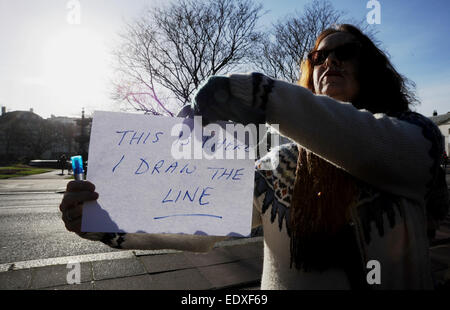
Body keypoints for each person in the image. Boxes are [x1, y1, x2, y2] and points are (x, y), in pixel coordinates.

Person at [59, 24, 448, 289]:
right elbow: (199, 223)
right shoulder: (275, 166)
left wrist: (251, 94)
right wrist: (102, 219)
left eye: (345, 52)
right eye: (318, 57)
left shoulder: (415, 137)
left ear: (372, 67)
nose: (329, 62)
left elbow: (363, 141)